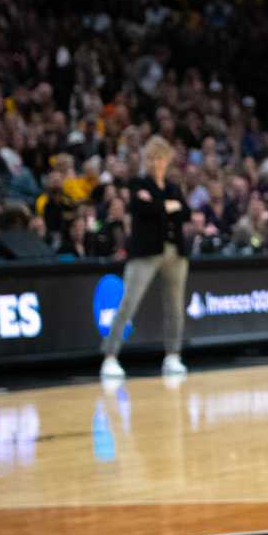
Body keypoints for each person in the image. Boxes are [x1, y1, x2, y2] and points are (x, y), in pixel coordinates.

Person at [99, 136, 193, 380]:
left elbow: (185, 212)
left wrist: (162, 205)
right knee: (129, 302)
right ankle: (110, 356)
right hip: (146, 252)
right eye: (152, 157)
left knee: (175, 306)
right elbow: (145, 210)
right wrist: (167, 207)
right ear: (146, 160)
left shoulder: (173, 186)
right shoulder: (138, 183)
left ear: (168, 160)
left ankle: (173, 355)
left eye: (161, 157)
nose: (157, 162)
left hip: (175, 252)